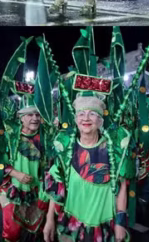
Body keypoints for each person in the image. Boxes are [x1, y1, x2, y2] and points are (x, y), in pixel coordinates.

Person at [43, 93, 131, 242]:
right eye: (81, 114)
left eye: (92, 114)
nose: (86, 118)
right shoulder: (66, 147)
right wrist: (49, 218)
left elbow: (122, 188)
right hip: (72, 225)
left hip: (103, 226)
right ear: (76, 119)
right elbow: (58, 187)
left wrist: (120, 222)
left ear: (101, 120)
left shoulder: (114, 148)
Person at [0, 95, 50, 241]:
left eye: (37, 115)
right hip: (11, 190)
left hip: (35, 192)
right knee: (11, 231)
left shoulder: (44, 137)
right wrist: (14, 173)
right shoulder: (8, 137)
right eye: (29, 114)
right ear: (20, 117)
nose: (35, 118)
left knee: (34, 232)